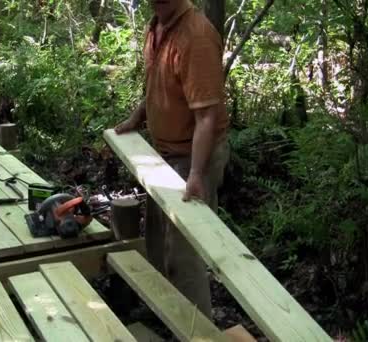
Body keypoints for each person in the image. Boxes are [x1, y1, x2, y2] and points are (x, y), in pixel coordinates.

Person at [114, 0, 230, 319]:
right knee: (155, 236)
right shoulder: (157, 24)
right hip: (163, 154)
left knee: (184, 253)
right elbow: (157, 86)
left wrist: (195, 173)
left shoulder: (197, 36)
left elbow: (206, 117)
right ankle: (162, 308)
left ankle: (198, 328)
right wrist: (137, 118)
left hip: (193, 156)